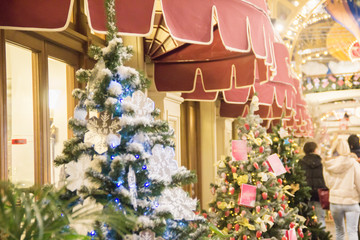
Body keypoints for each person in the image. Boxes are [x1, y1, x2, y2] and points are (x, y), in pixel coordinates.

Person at [323, 139, 360, 240]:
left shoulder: (328, 165)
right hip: (351, 201)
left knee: (339, 231)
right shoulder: (353, 163)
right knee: (352, 231)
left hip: (335, 202)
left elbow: (328, 184)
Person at [300, 141, 327, 228]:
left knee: (305, 218)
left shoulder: (301, 162)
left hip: (305, 194)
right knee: (321, 218)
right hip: (319, 194)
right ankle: (322, 237)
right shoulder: (321, 163)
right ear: (315, 150)